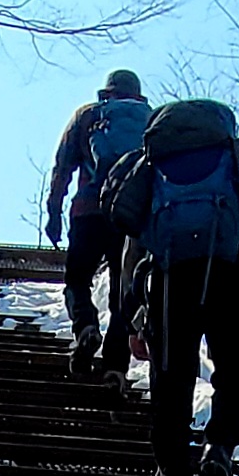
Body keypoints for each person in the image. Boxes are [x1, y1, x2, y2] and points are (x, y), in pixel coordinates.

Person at [104, 96, 239, 476]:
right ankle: (219, 449)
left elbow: (134, 245)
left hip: (171, 280)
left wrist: (133, 317)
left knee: (171, 389)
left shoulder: (152, 161)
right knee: (234, 375)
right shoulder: (237, 155)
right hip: (232, 276)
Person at [43, 67, 153, 373]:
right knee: (123, 293)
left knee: (77, 279)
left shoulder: (88, 115)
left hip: (89, 211)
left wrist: (54, 212)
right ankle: (116, 368)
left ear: (108, 92)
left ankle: (86, 327)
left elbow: (62, 166)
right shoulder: (152, 121)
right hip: (130, 217)